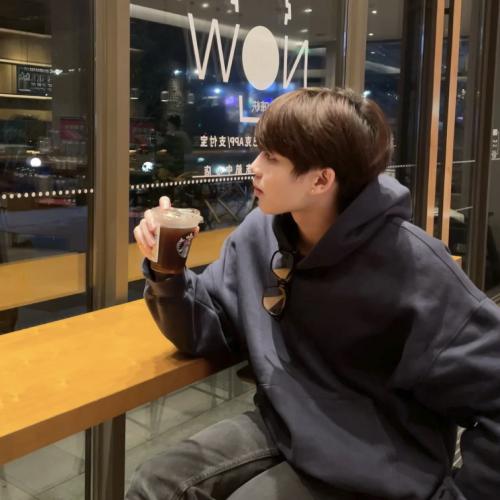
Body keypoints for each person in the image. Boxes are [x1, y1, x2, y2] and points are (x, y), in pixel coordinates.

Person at [127, 88, 500, 500]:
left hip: (378, 459)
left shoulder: (416, 267)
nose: (254, 167)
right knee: (155, 484)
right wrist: (167, 271)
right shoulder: (259, 235)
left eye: (271, 157)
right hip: (285, 420)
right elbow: (205, 330)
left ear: (322, 179)